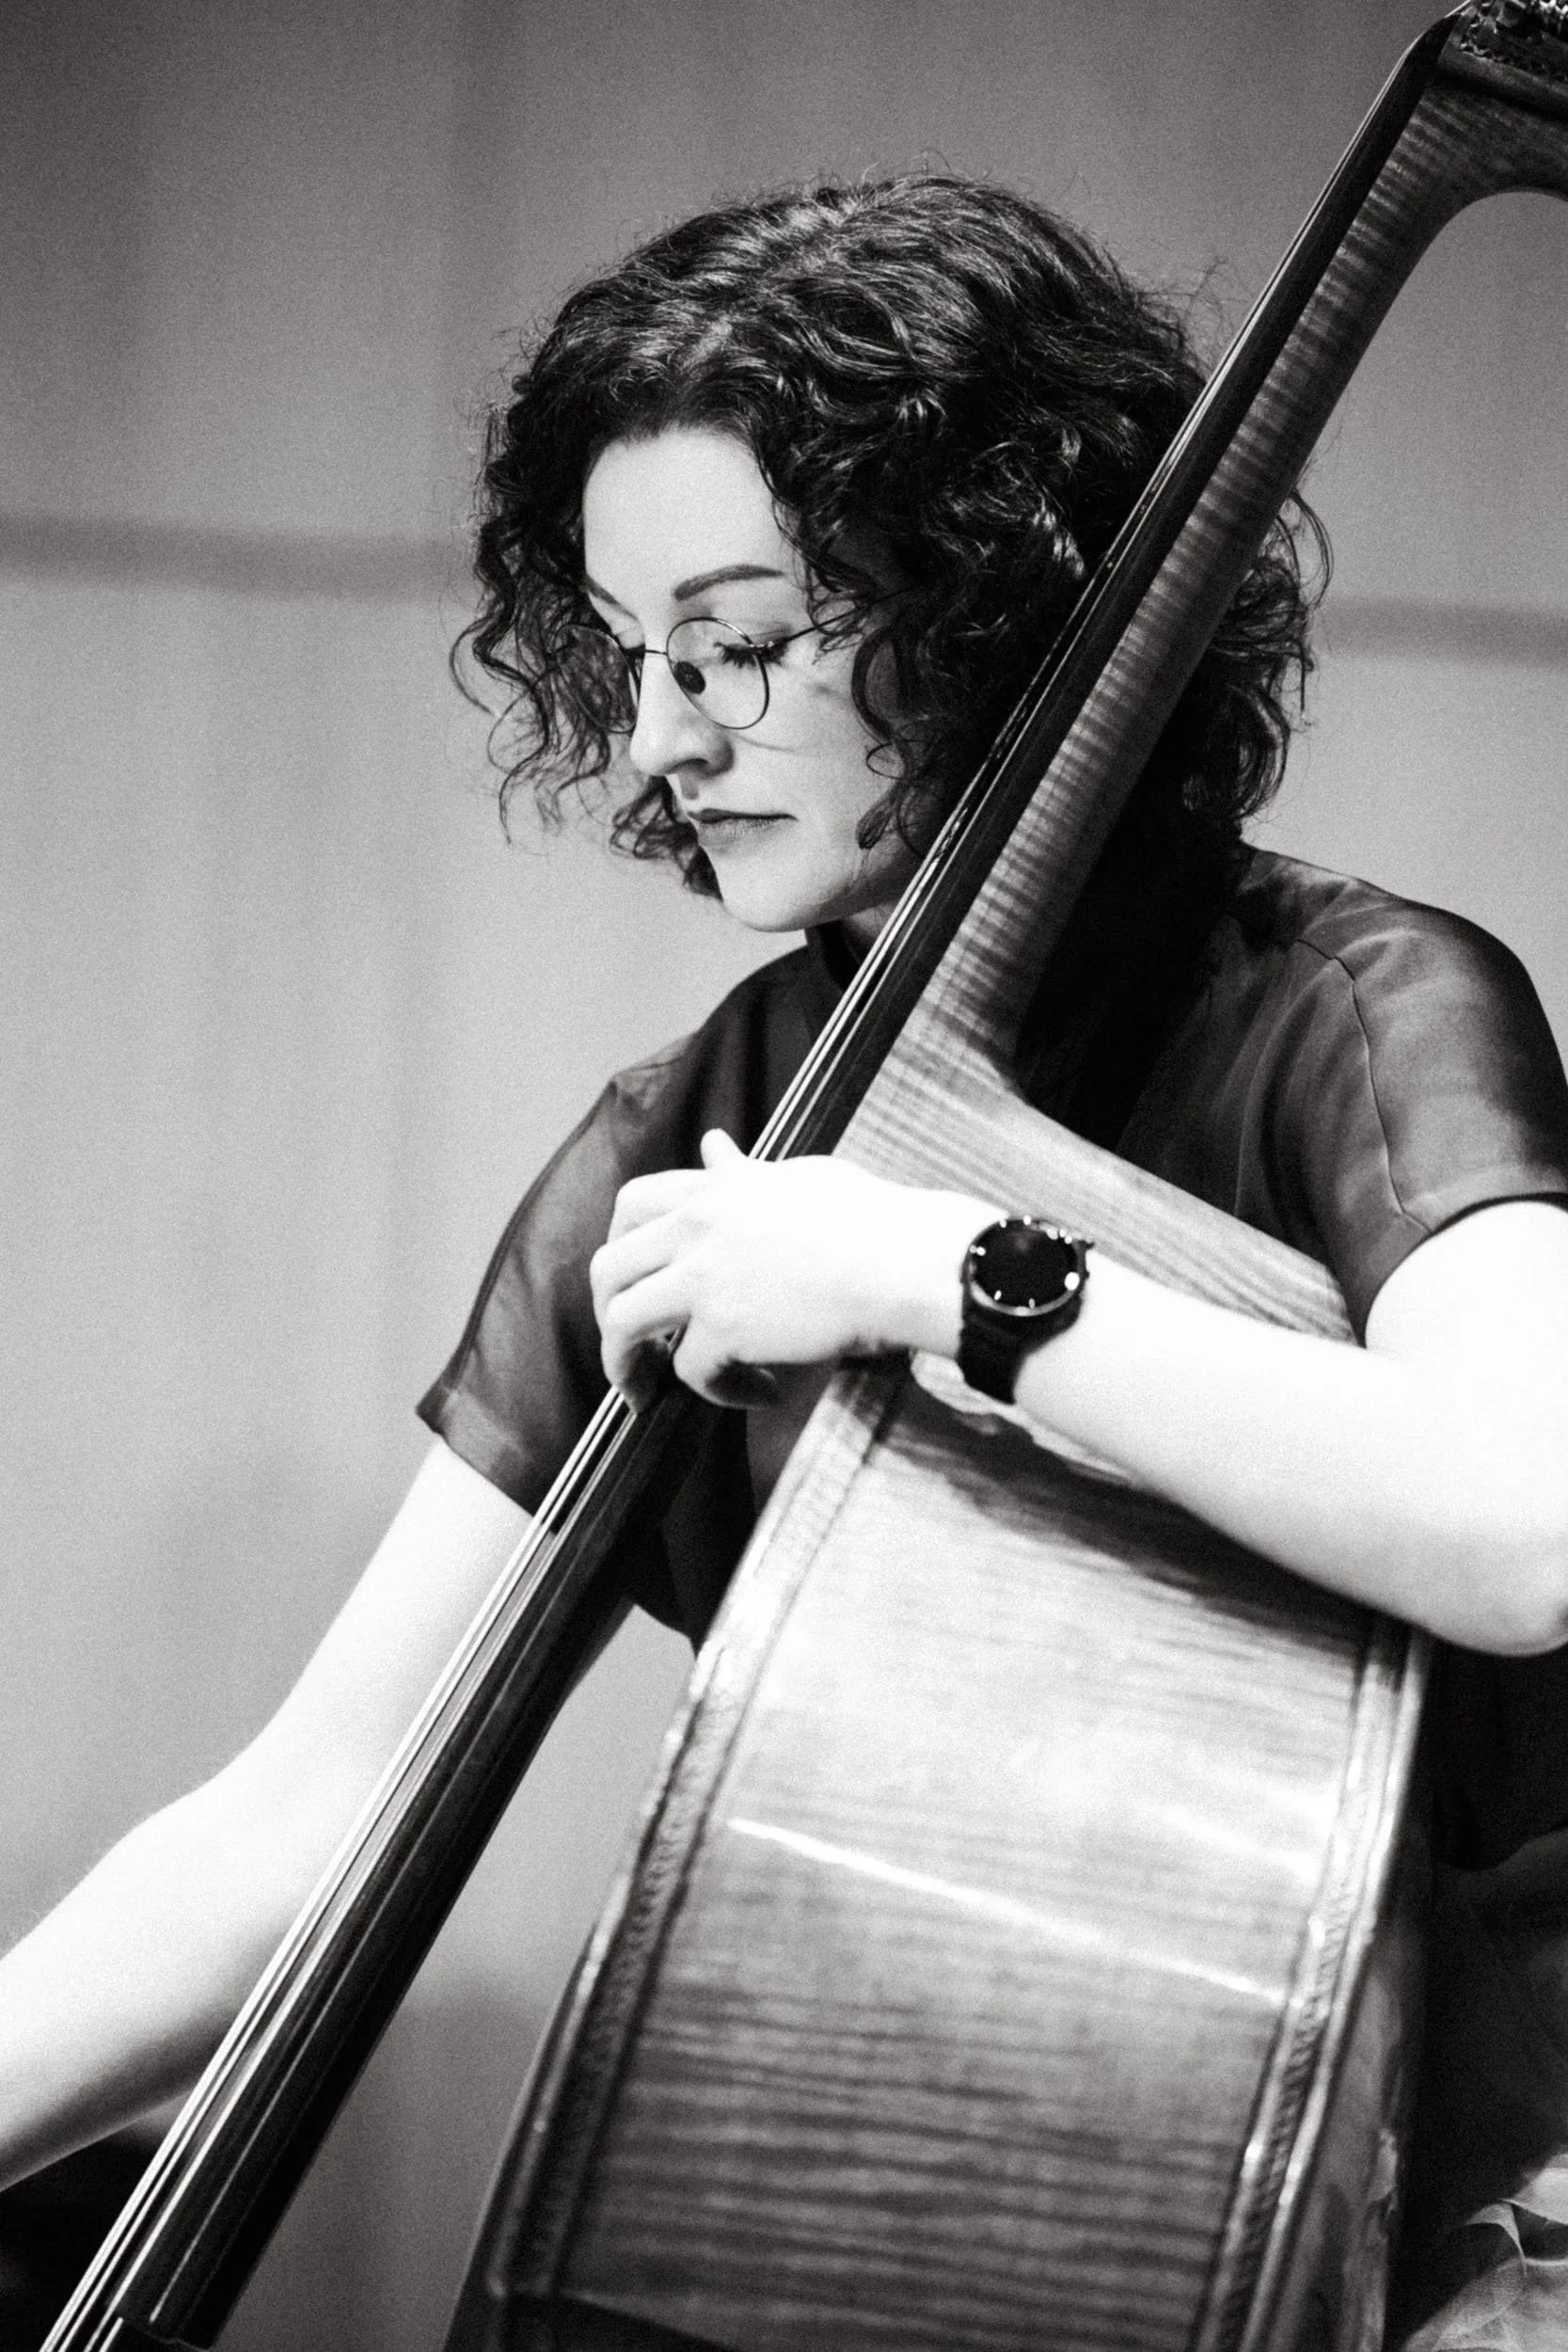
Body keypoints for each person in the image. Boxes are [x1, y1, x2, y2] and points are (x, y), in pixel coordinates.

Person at [2, 177, 1567, 2347]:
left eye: (732, 645)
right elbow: (311, 1807)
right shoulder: (703, 1130)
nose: (655, 738)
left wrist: (948, 1273)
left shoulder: (1359, 1013)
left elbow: (1528, 1519)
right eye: (635, 654)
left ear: (982, 607)